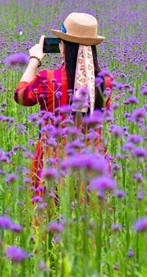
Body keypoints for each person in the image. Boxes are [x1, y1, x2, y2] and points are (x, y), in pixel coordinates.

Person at [14, 13, 114, 200]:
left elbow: (21, 97)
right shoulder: (106, 82)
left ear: (63, 47)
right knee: (90, 217)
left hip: (53, 161)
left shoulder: (47, 79)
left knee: (50, 214)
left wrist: (35, 59)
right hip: (92, 161)